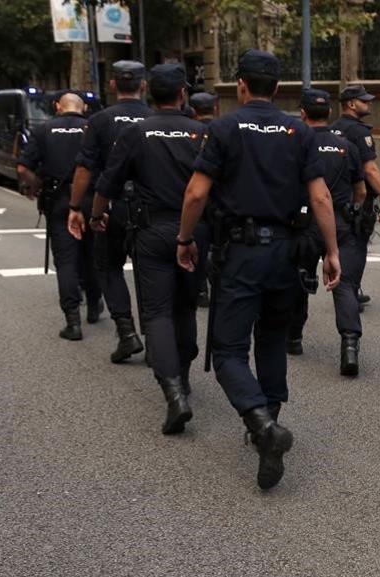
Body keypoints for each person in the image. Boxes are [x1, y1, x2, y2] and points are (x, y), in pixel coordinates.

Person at [176, 50, 341, 490]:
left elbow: (195, 194)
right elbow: (321, 198)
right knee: (271, 340)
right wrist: (332, 251)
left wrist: (184, 239)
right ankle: (269, 420)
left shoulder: (224, 128)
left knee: (229, 351)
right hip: (287, 253)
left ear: (241, 86)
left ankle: (262, 425)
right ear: (278, 89)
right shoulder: (300, 131)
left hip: (240, 254)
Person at [89, 64, 206, 435]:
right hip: (195, 231)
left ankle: (173, 394)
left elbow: (108, 182)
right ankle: (184, 377)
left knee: (156, 313)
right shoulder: (203, 132)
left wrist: (96, 217)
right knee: (186, 306)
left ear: (149, 92)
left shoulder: (135, 133)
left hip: (151, 230)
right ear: (183, 94)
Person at [68, 60, 151, 364]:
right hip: (148, 210)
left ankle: (127, 333)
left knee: (108, 267)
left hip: (111, 207)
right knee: (149, 273)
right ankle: (155, 342)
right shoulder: (154, 118)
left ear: (113, 85)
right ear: (143, 85)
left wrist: (76, 207)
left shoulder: (100, 121)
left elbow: (84, 169)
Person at [287, 88, 368, 375]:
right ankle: (349, 347)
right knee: (343, 283)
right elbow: (360, 189)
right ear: (330, 113)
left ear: (302, 113)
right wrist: (354, 210)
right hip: (342, 223)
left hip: (305, 223)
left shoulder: (294, 144)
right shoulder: (347, 146)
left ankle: (294, 337)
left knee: (299, 279)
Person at [17, 92, 102, 340]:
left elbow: (23, 168)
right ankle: (95, 304)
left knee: (66, 262)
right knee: (92, 255)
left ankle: (73, 321)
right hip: (90, 199)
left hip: (59, 201)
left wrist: (37, 186)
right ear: (84, 107)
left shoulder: (44, 130)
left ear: (57, 107)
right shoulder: (93, 127)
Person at [331, 85, 380, 312]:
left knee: (337, 246)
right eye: (364, 101)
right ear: (351, 104)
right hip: (357, 199)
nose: (369, 104)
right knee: (356, 247)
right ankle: (350, 291)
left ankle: (343, 286)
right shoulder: (360, 132)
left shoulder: (334, 128)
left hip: (334, 199)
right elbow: (370, 169)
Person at [187, 91, 218, 309]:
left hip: (199, 196)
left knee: (199, 244)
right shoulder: (222, 131)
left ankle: (200, 290)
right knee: (217, 245)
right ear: (214, 109)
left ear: (192, 111)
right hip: (219, 199)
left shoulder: (191, 133)